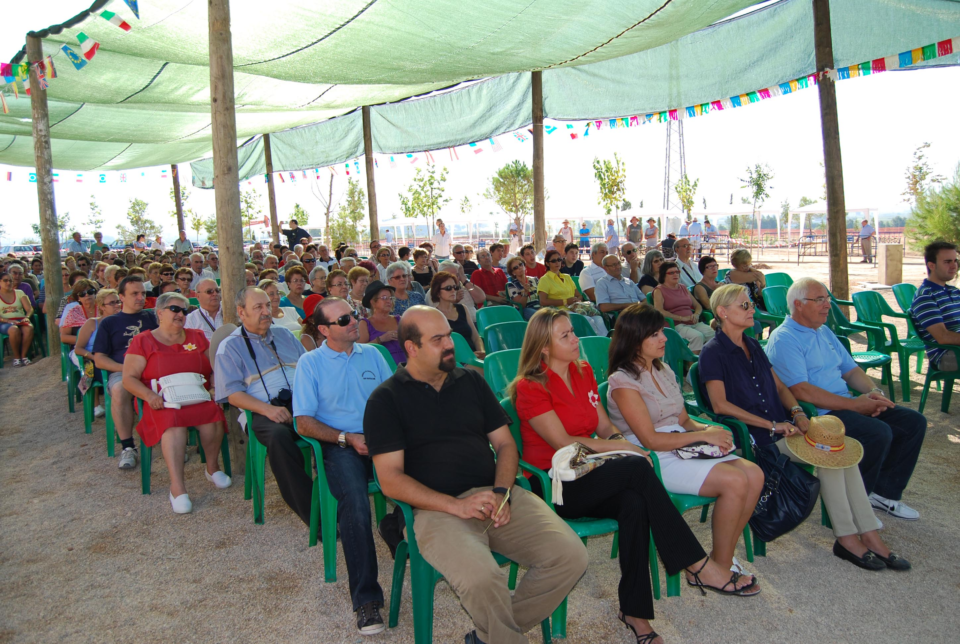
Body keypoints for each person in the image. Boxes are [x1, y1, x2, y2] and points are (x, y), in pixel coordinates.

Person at [511, 309, 757, 643]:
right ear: (543, 346)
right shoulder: (530, 386)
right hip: (556, 483)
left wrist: (619, 442)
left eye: (572, 331)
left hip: (592, 469)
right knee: (637, 466)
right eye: (565, 335)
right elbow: (563, 442)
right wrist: (623, 448)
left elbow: (603, 425)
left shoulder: (582, 371)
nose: (575, 338)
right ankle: (696, 564)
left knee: (635, 502)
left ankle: (635, 613)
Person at [365, 306, 588, 644]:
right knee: (483, 578)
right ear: (411, 348)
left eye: (449, 335)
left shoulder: (470, 380)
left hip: (495, 495)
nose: (450, 344)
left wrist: (502, 492)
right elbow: (390, 480)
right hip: (435, 511)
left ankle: (491, 636)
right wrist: (456, 506)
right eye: (438, 340)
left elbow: (506, 445)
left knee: (570, 556)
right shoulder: (385, 400)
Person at [699, 284, 912, 571]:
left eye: (751, 303)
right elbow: (720, 405)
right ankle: (849, 539)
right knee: (830, 455)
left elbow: (780, 387)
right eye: (744, 305)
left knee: (841, 450)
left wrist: (798, 413)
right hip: (757, 439)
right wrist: (772, 425)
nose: (753, 309)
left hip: (783, 429)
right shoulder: (713, 352)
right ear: (723, 312)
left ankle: (869, 535)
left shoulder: (752, 345)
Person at [606, 303, 764, 576]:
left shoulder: (663, 370)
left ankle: (721, 559)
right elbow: (650, 440)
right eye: (655, 334)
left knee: (755, 474)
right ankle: (720, 568)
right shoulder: (623, 382)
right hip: (651, 458)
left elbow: (684, 420)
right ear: (634, 339)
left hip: (681, 443)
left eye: (662, 331)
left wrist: (710, 431)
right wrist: (703, 435)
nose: (664, 338)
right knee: (736, 480)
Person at [765, 278, 927, 520]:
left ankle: (882, 494)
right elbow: (801, 391)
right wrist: (855, 405)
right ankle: (854, 505)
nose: (827, 305)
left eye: (827, 299)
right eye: (819, 300)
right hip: (818, 415)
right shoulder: (785, 338)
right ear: (798, 304)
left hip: (845, 404)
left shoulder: (823, 331)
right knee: (877, 432)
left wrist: (874, 392)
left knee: (912, 422)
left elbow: (850, 371)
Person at [291, 296, 392, 634]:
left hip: (380, 438)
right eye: (344, 319)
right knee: (356, 503)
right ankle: (366, 600)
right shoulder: (310, 363)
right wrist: (347, 438)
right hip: (339, 444)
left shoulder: (373, 354)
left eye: (354, 315)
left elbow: (394, 399)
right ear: (323, 330)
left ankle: (395, 528)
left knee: (433, 470)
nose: (354, 322)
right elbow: (303, 422)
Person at [122, 292, 228, 514]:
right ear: (160, 313)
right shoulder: (143, 340)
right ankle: (177, 487)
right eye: (175, 309)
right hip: (162, 401)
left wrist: (213, 386)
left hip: (196, 394)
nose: (180, 314)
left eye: (184, 310)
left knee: (213, 414)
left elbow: (213, 368)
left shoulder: (197, 336)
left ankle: (212, 468)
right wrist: (149, 396)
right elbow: (129, 379)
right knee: (173, 425)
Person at [216, 287, 313, 524]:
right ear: (241, 312)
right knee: (279, 437)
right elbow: (233, 395)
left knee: (342, 418)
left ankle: (345, 490)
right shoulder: (230, 347)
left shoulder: (285, 334)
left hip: (301, 402)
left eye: (267, 305)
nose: (266, 311)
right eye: (258, 307)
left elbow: (309, 370)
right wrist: (268, 409)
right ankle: (314, 514)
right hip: (261, 410)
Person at [93, 276, 159, 469]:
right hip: (122, 371)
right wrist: (128, 369)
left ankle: (170, 437)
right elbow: (99, 359)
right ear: (121, 297)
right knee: (120, 389)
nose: (140, 297)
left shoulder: (154, 317)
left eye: (143, 293)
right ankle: (128, 447)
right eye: (134, 294)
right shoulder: (109, 323)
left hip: (155, 370)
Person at [912, 240, 960, 371]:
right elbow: (943, 337)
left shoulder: (954, 292)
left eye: (955, 261)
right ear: (931, 265)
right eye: (947, 262)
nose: (954, 266)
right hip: (948, 354)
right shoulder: (925, 296)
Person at [75, 288, 121, 418]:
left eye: (118, 301)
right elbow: (78, 348)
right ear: (101, 306)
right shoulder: (92, 323)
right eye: (112, 303)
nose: (117, 305)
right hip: (96, 360)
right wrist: (93, 357)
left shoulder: (122, 321)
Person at [538, 249, 606, 335]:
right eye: (554, 261)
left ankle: (605, 341)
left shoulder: (567, 277)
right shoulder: (545, 279)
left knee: (598, 318)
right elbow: (543, 301)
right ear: (547, 263)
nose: (557, 263)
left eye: (559, 260)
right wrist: (565, 301)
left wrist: (576, 300)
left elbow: (579, 295)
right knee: (588, 320)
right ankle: (593, 342)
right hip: (559, 311)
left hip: (575, 308)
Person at [654, 262, 714, 354]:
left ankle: (707, 359)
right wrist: (681, 318)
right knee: (697, 336)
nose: (675, 274)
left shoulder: (683, 287)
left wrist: (696, 314)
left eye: (677, 272)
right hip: (675, 325)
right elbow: (659, 311)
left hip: (692, 322)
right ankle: (691, 362)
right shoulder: (659, 290)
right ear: (663, 275)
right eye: (671, 273)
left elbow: (697, 305)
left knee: (712, 333)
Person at [431, 271, 484, 356]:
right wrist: (468, 356)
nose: (453, 291)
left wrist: (482, 352)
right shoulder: (435, 315)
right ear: (437, 292)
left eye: (455, 287)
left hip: (475, 356)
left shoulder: (463, 308)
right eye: (448, 288)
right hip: (454, 359)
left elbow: (476, 337)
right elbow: (440, 346)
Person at [359, 280, 405, 366]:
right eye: (384, 298)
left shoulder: (399, 319)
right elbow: (360, 350)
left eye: (390, 298)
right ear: (373, 302)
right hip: (381, 367)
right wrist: (381, 339)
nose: (389, 301)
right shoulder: (365, 324)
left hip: (404, 367)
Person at [0, 272, 35, 367]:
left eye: (10, 281)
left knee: (29, 328)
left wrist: (27, 317)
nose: (8, 283)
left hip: (20, 319)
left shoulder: (19, 293)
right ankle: (17, 357)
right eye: (5, 280)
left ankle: (24, 356)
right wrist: (8, 321)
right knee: (14, 329)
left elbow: (29, 309)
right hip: (4, 322)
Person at [60, 279, 100, 348]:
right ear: (78, 297)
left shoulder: (103, 309)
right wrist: (86, 340)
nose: (87, 295)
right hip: (80, 348)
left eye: (90, 291)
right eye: (82, 294)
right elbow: (64, 337)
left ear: (95, 293)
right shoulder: (73, 312)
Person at [505, 256, 541, 321]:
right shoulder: (511, 285)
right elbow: (521, 306)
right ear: (513, 273)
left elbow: (541, 296)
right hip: (525, 309)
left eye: (520, 264)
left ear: (524, 266)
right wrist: (525, 292)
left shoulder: (534, 279)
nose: (519, 267)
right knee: (539, 317)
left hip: (538, 306)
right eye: (516, 268)